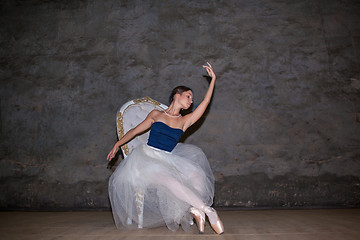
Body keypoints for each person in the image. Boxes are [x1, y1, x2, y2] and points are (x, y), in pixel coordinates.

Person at [107, 62, 224, 234]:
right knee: (170, 181)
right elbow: (134, 130)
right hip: (147, 159)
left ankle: (196, 210)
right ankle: (208, 210)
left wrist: (213, 79)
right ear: (177, 95)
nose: (191, 101)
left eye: (192, 99)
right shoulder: (156, 115)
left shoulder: (185, 121)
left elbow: (205, 103)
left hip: (168, 158)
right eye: (188, 96)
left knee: (197, 174)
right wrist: (117, 144)